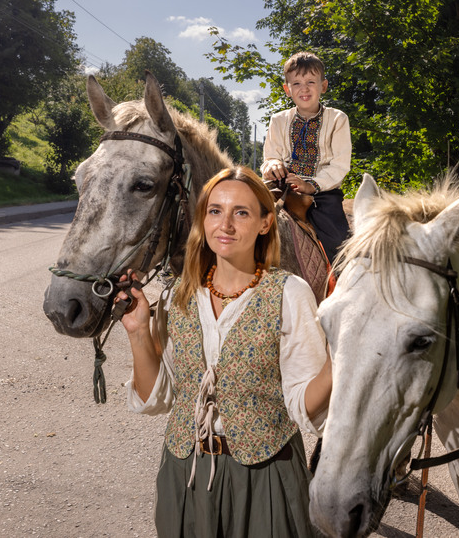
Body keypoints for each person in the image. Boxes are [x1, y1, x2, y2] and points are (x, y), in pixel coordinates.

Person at [116, 166, 332, 537]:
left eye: (241, 212)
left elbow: (304, 404)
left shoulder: (290, 293)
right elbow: (157, 398)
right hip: (184, 474)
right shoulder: (177, 295)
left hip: (266, 476)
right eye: (215, 211)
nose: (225, 225)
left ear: (265, 223)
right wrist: (138, 332)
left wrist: (341, 355)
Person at [261, 51, 351, 265]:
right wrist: (273, 165)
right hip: (282, 187)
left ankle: (344, 279)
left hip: (322, 194)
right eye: (297, 83)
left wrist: (311, 185)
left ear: (323, 86)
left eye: (311, 81)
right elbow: (270, 156)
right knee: (247, 213)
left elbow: (339, 166)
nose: (304, 88)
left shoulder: (338, 119)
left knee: (339, 242)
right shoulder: (278, 120)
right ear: (287, 90)